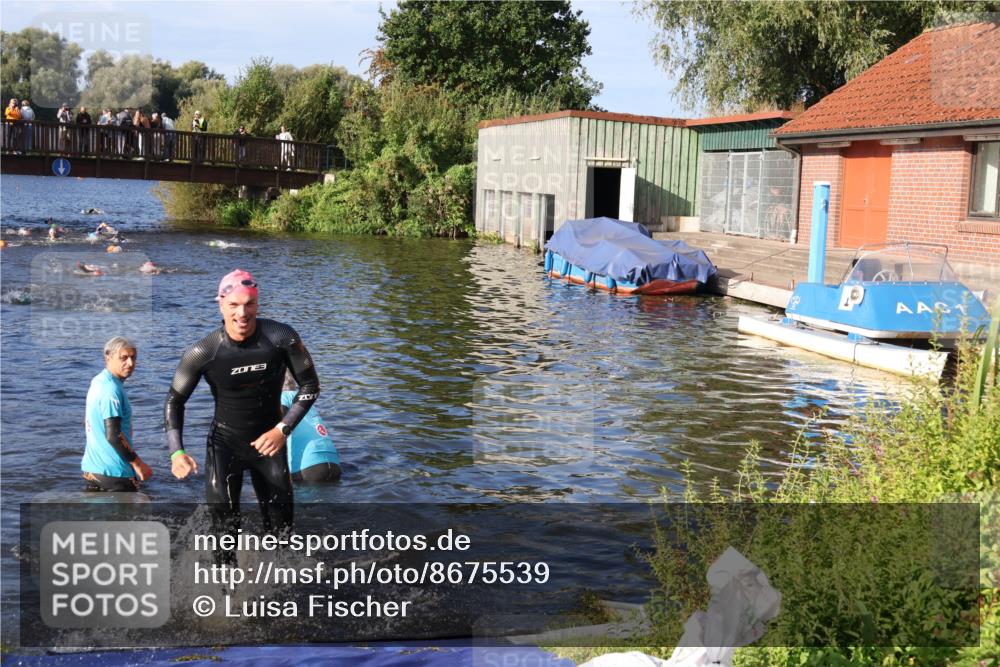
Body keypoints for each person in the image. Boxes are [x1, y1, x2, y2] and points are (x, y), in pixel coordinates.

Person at [165, 269, 320, 552]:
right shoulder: (203, 352)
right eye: (234, 305)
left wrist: (282, 430)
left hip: (270, 445)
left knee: (282, 535)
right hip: (225, 447)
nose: (242, 313)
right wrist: (177, 452)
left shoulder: (280, 337)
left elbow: (310, 386)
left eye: (249, 304)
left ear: (257, 305)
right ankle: (227, 592)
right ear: (221, 304)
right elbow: (175, 401)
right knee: (224, 536)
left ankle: (279, 588)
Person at [83, 337, 153, 492]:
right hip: (116, 473)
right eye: (124, 358)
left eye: (133, 357)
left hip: (92, 470)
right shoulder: (111, 390)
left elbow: (90, 421)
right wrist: (138, 464)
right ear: (108, 357)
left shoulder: (98, 381)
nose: (130, 363)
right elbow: (114, 435)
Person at [280, 371, 341, 483]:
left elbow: (279, 436)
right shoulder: (306, 401)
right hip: (334, 464)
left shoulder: (282, 399)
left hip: (307, 469)